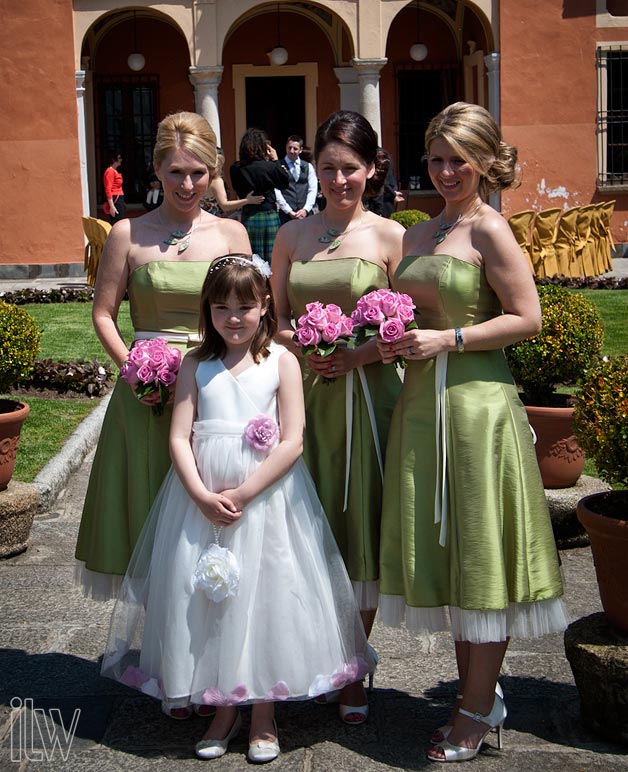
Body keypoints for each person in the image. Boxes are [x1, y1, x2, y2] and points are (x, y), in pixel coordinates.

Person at [101, 255, 375, 763]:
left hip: (267, 503)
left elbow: (292, 441)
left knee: (264, 597)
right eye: (222, 306)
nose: (233, 317)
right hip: (199, 503)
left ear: (265, 306)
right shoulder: (194, 365)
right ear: (207, 308)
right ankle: (221, 704)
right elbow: (180, 438)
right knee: (208, 599)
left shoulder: (282, 363)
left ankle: (264, 713)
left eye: (245, 306)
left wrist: (246, 494)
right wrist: (201, 495)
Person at [376, 102, 568, 763]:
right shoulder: (417, 234)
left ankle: (478, 705)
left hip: (478, 410)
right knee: (451, 554)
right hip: (423, 407)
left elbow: (530, 317)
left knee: (480, 555)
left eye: (459, 158)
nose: (447, 170)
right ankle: (474, 697)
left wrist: (451, 337)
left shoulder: (490, 230)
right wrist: (391, 337)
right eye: (436, 157)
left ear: (485, 162)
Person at [75, 112, 251, 605]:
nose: (188, 184)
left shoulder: (232, 236)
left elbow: (246, 313)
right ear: (157, 171)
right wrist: (134, 371)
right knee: (148, 509)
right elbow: (104, 314)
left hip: (215, 388)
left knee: (208, 515)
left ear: (212, 172)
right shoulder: (126, 234)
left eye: (198, 172)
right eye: (176, 172)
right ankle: (160, 648)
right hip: (145, 394)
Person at [271, 110, 405, 723]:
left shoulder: (390, 237)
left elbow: (410, 326)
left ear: (371, 169)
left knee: (357, 524)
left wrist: (357, 353)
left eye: (350, 167)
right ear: (314, 170)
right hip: (304, 395)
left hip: (368, 397)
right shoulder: (291, 236)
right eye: (327, 167)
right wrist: (307, 348)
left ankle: (354, 663)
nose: (338, 179)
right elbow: (274, 320)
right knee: (302, 526)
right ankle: (309, 651)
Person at [230, 128, 290, 263]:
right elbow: (285, 183)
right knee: (273, 257)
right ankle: (272, 284)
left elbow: (237, 189)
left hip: (249, 214)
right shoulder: (270, 167)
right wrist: (276, 160)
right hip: (269, 214)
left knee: (251, 257)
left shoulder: (236, 168)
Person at [200, 150, 264, 218]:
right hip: (214, 220)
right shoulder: (216, 181)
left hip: (202, 219)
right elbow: (224, 206)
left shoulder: (201, 178)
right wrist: (247, 200)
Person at [274, 134, 318, 224]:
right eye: (289, 148)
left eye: (295, 148)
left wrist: (305, 209)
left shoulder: (308, 166)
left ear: (301, 150)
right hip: (286, 215)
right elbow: (277, 190)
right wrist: (289, 211)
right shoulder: (278, 166)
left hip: (305, 214)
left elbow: (313, 189)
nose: (291, 151)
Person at [363, 147, 404, 218]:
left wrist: (392, 194)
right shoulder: (384, 154)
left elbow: (382, 181)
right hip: (383, 197)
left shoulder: (378, 156)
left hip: (383, 199)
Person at [103, 151, 126, 223]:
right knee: (117, 222)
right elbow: (108, 189)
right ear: (113, 160)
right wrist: (112, 206)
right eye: (119, 158)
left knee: (120, 221)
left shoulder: (115, 171)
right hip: (115, 198)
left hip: (119, 198)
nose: (121, 160)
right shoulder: (110, 171)